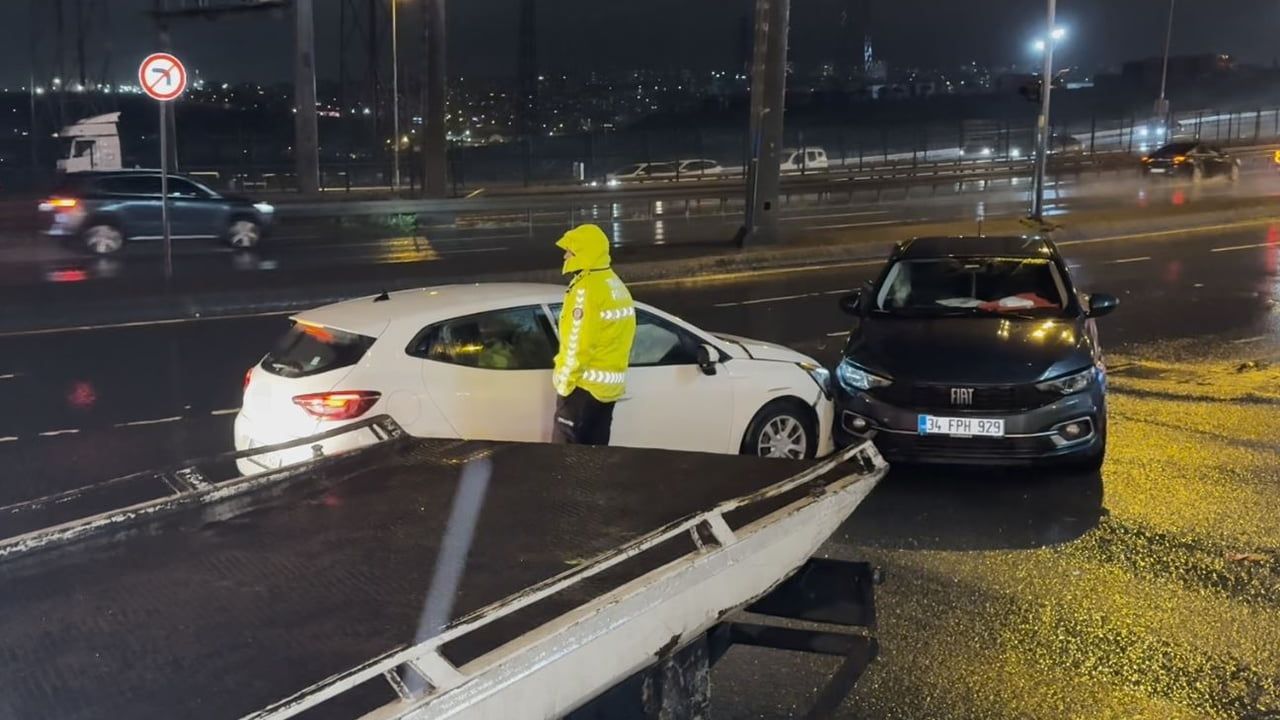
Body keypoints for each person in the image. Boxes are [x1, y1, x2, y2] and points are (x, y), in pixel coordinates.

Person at [552, 224, 636, 446]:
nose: (565, 255)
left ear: (583, 253)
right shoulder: (615, 285)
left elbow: (577, 344)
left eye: (569, 250)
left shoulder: (586, 289)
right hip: (606, 392)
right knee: (594, 459)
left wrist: (564, 383)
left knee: (564, 463)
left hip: (582, 391)